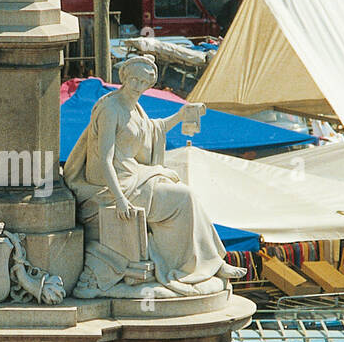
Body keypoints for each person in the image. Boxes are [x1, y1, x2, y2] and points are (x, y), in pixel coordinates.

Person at [64, 55, 241, 298]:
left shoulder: (135, 107)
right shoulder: (110, 108)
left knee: (186, 195)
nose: (137, 85)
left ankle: (207, 262)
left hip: (135, 175)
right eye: (133, 79)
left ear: (149, 84)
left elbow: (153, 130)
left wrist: (180, 116)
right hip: (116, 185)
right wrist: (119, 199)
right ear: (124, 77)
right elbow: (104, 158)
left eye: (143, 81)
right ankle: (200, 264)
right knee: (184, 198)